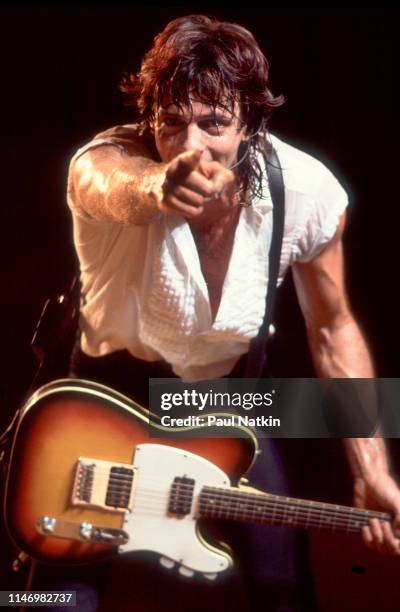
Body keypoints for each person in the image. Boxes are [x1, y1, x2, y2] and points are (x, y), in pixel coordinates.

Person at [56, 13, 400, 611]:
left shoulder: (307, 191)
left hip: (226, 397)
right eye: (172, 125)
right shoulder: (106, 162)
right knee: (57, 597)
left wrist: (371, 466)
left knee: (286, 589)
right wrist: (156, 188)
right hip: (108, 394)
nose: (192, 147)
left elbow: (333, 327)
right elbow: (105, 182)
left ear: (253, 125)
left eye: (214, 124)